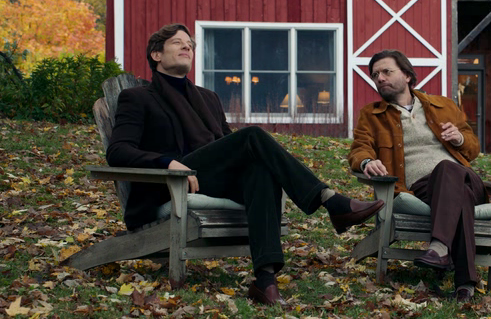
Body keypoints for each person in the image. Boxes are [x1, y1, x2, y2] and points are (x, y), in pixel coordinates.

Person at [107, 23, 384, 306]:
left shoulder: (208, 98)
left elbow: (231, 145)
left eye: (189, 43)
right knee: (251, 136)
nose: (187, 46)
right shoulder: (137, 98)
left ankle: (265, 280)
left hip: (209, 179)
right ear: (156, 55)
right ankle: (330, 200)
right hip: (169, 184)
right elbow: (118, 151)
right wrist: (167, 162)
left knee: (260, 171)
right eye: (178, 42)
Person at [348, 50, 486, 302]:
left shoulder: (443, 105)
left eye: (387, 71)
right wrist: (367, 161)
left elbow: (473, 147)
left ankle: (439, 246)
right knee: (460, 196)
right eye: (375, 75)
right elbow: (359, 149)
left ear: (408, 76)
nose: (380, 78)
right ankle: (465, 284)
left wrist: (459, 138)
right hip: (422, 188)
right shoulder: (372, 115)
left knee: (448, 168)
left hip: (466, 178)